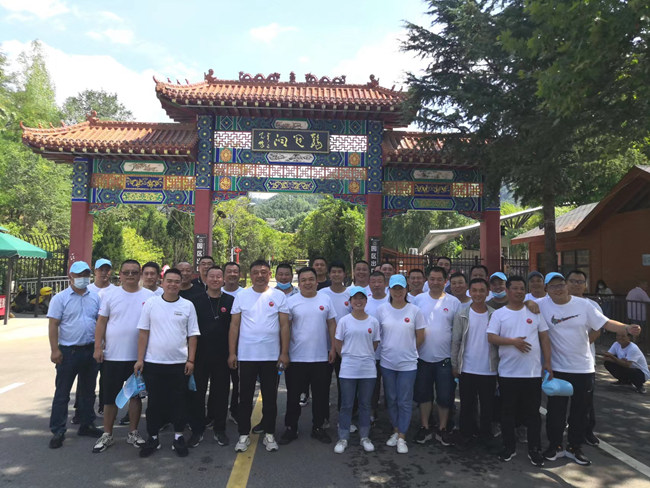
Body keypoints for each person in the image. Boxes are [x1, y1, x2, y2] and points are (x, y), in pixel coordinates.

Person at [539, 272, 642, 466]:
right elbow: (524, 305)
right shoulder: (541, 305)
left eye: (561, 284)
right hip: (558, 369)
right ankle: (555, 446)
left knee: (580, 412)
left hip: (583, 369)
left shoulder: (584, 305)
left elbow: (605, 323)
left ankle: (574, 447)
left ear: (566, 286)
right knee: (555, 412)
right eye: (553, 286)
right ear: (547, 290)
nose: (558, 289)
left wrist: (626, 328)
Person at [487, 276, 552, 467]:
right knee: (508, 413)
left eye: (522, 288)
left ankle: (534, 449)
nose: (519, 291)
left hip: (532, 373)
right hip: (508, 373)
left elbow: (544, 338)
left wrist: (548, 362)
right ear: (507, 291)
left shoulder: (534, 311)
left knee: (533, 414)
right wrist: (513, 342)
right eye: (514, 288)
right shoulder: (499, 314)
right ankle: (509, 447)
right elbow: (491, 337)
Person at [135, 268, 200, 458]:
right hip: (153, 362)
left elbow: (193, 335)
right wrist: (140, 359)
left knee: (179, 402)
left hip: (179, 363)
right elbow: (143, 332)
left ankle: (178, 437)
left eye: (176, 281)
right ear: (162, 282)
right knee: (154, 402)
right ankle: (153, 438)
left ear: (181, 284)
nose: (172, 284)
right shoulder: (151, 303)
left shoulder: (188, 305)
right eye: (169, 281)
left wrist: (191, 360)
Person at [228, 260, 290, 453]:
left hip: (271, 356)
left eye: (264, 272)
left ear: (270, 274)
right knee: (245, 397)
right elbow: (234, 326)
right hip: (247, 356)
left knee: (270, 397)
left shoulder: (278, 296)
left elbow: (284, 326)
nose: (260, 275)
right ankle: (243, 435)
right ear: (250, 275)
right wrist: (232, 352)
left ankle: (269, 434)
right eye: (256, 272)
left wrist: (284, 353)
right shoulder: (242, 296)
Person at [92, 260, 153, 453]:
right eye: (126, 272)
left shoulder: (150, 296)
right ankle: (107, 434)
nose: (130, 275)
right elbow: (101, 322)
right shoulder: (109, 295)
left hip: (138, 357)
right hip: (112, 356)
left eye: (134, 272)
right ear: (120, 274)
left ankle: (133, 432)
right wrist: (97, 347)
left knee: (135, 397)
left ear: (140, 274)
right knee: (110, 398)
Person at [47, 261, 103, 449]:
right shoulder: (60, 298)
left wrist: (99, 347)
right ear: (70, 276)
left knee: (88, 391)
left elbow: (99, 322)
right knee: (62, 393)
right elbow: (53, 325)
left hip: (90, 350)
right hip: (68, 352)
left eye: (85, 274)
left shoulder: (95, 297)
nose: (82, 278)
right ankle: (58, 430)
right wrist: (54, 350)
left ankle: (87, 424)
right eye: (79, 275)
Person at [279, 267, 337, 445]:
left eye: (311, 279)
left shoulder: (325, 299)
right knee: (293, 396)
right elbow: (285, 328)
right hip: (296, 358)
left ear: (316, 281)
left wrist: (333, 348)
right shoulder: (291, 302)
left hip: (320, 357)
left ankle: (318, 427)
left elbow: (331, 324)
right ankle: (291, 428)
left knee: (321, 396)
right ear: (299, 282)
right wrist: (284, 352)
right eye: (303, 280)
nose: (307, 283)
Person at [377, 274, 425, 454]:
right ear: (389, 290)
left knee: (404, 400)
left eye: (401, 288)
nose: (398, 292)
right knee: (392, 398)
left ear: (406, 290)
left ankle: (402, 436)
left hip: (408, 364)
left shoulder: (415, 311)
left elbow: (420, 336)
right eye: (394, 288)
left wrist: (409, 350)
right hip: (387, 362)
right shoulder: (382, 310)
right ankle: (395, 430)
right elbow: (377, 334)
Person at [187, 266, 235, 448]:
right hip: (200, 354)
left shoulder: (230, 301)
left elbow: (235, 328)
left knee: (221, 393)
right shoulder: (195, 301)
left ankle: (219, 429)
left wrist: (233, 353)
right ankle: (197, 430)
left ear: (223, 279)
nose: (215, 279)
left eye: (218, 276)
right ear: (205, 279)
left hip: (222, 355)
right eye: (211, 276)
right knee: (197, 394)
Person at [413, 266, 461, 446]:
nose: (435, 282)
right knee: (423, 395)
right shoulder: (418, 300)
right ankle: (425, 426)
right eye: (432, 279)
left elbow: (457, 332)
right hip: (422, 357)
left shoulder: (453, 302)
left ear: (445, 281)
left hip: (445, 358)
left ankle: (442, 428)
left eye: (439, 279)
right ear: (427, 280)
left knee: (445, 396)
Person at [451, 278, 498, 447]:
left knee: (487, 406)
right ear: (469, 292)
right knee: (467, 405)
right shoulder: (462, 314)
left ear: (487, 293)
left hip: (489, 369)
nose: (478, 294)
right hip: (467, 368)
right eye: (475, 290)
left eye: (481, 290)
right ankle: (466, 434)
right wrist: (455, 364)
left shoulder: (495, 314)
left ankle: (485, 436)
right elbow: (456, 341)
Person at [333, 286, 380, 454]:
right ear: (350, 301)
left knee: (365, 404)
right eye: (355, 299)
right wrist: (348, 357)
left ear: (366, 301)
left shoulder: (373, 322)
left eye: (361, 298)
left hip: (368, 369)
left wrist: (364, 355)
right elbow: (338, 343)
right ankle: (343, 437)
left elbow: (375, 343)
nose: (358, 301)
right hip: (348, 369)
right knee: (347, 404)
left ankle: (364, 436)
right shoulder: (344, 321)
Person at [566, 269, 603, 446]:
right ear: (566, 283)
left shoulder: (592, 305)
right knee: (559, 401)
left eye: (580, 282)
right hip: (560, 362)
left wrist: (582, 344)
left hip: (585, 362)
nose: (576, 284)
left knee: (585, 402)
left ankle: (587, 431)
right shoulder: (558, 303)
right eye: (573, 281)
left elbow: (598, 329)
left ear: (585, 285)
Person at [320, 262, 352, 420]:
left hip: (346, 347)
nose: (337, 275)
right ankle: (323, 418)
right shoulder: (322, 293)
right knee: (322, 385)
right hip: (325, 346)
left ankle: (344, 418)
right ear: (329, 274)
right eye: (334, 272)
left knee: (344, 385)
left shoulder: (351, 293)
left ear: (345, 274)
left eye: (340, 272)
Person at [367, 271, 389, 424]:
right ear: (369, 284)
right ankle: (371, 412)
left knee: (390, 387)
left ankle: (391, 415)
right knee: (372, 386)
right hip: (371, 352)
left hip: (389, 352)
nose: (376, 285)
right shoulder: (365, 302)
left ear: (385, 283)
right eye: (373, 282)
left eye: (379, 281)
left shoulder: (392, 301)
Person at [221, 261, 243, 424]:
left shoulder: (245, 294)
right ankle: (215, 414)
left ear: (240, 275)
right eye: (229, 271)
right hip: (218, 345)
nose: (232, 274)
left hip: (240, 345)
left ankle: (235, 411)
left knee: (238, 382)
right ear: (224, 274)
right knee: (219, 383)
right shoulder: (216, 292)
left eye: (235, 272)